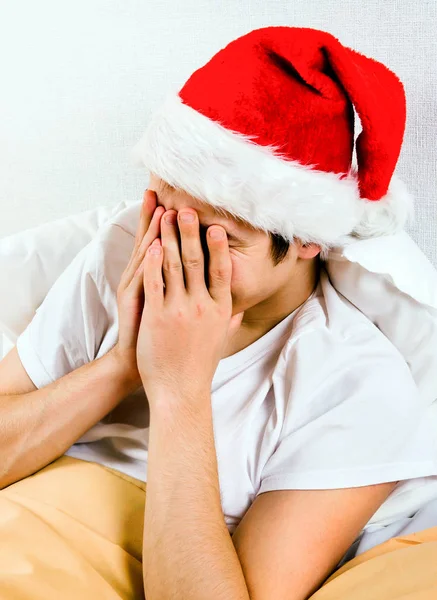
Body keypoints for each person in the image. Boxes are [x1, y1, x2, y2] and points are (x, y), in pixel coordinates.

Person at [1, 24, 437, 600]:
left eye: (216, 239)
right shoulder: (123, 251)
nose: (171, 251)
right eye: (163, 210)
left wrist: (178, 386)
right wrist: (121, 367)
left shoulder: (357, 387)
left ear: (308, 238)